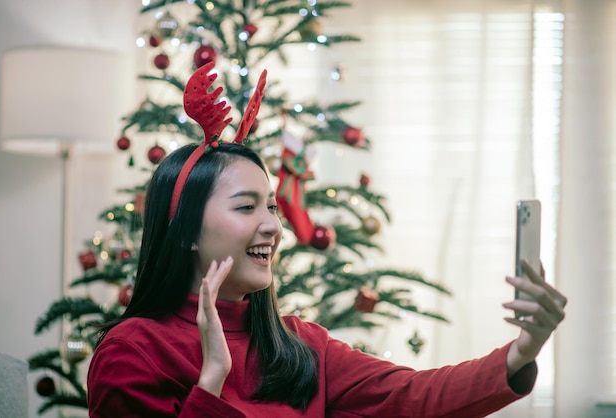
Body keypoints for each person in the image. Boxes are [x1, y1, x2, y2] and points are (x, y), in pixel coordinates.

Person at [87, 64, 567, 417]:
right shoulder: (132, 353)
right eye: (246, 206)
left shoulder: (298, 344)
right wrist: (211, 379)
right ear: (187, 230)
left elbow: (414, 397)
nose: (274, 226)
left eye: (272, 205)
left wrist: (522, 351)